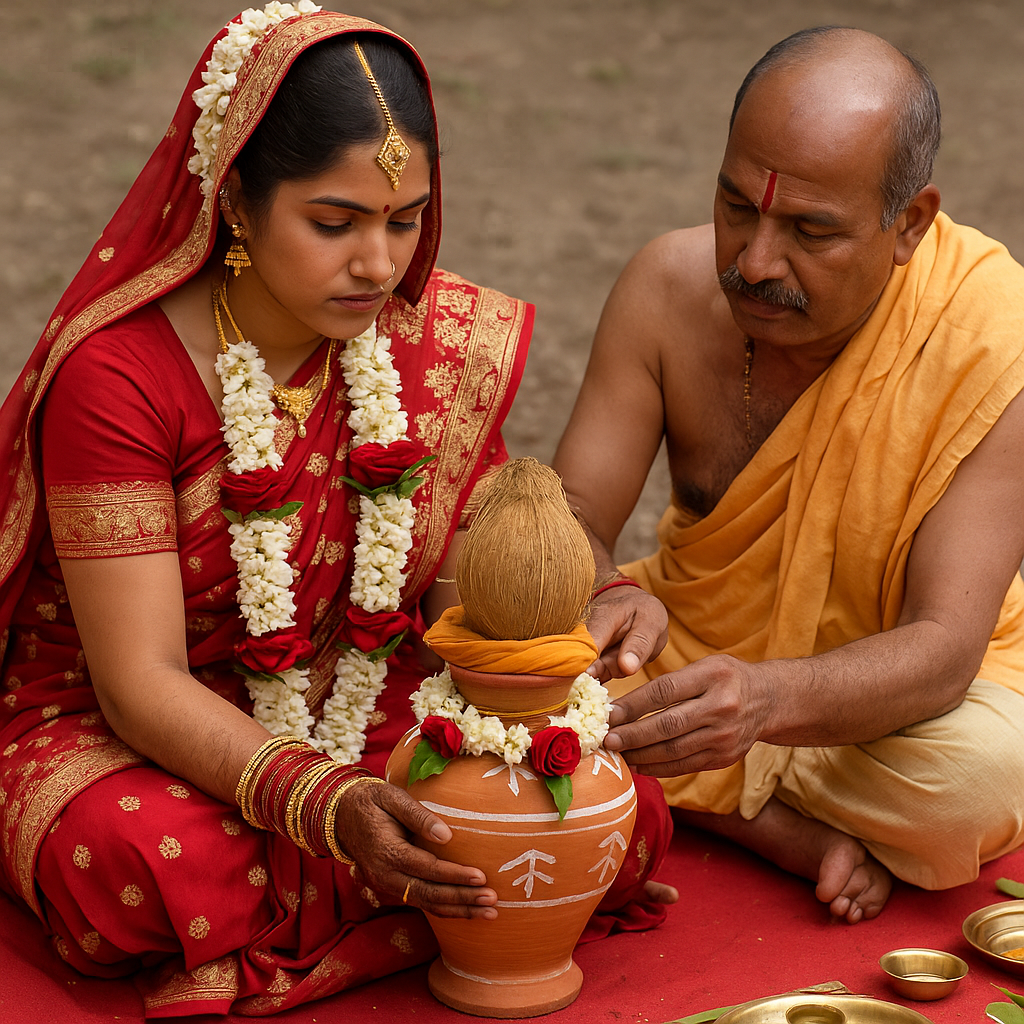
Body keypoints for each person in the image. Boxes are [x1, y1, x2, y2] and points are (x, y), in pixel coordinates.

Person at [0, 6, 670, 1016]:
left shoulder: (428, 339)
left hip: (362, 687)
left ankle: (341, 912)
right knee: (141, 862)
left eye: (404, 220)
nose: (379, 263)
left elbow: (456, 590)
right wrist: (328, 800)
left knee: (607, 793)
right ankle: (412, 903)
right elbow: (138, 683)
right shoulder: (119, 376)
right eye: (335, 221)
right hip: (132, 728)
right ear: (233, 201)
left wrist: (584, 607)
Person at [554, 25, 1024, 926]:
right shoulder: (665, 287)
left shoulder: (993, 342)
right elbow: (573, 509)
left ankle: (689, 786)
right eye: (738, 207)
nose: (755, 261)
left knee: (980, 779)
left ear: (910, 226)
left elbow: (941, 654)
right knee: (482, 642)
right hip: (687, 653)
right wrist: (604, 587)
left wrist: (766, 700)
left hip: (894, 705)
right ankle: (770, 822)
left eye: (810, 230)